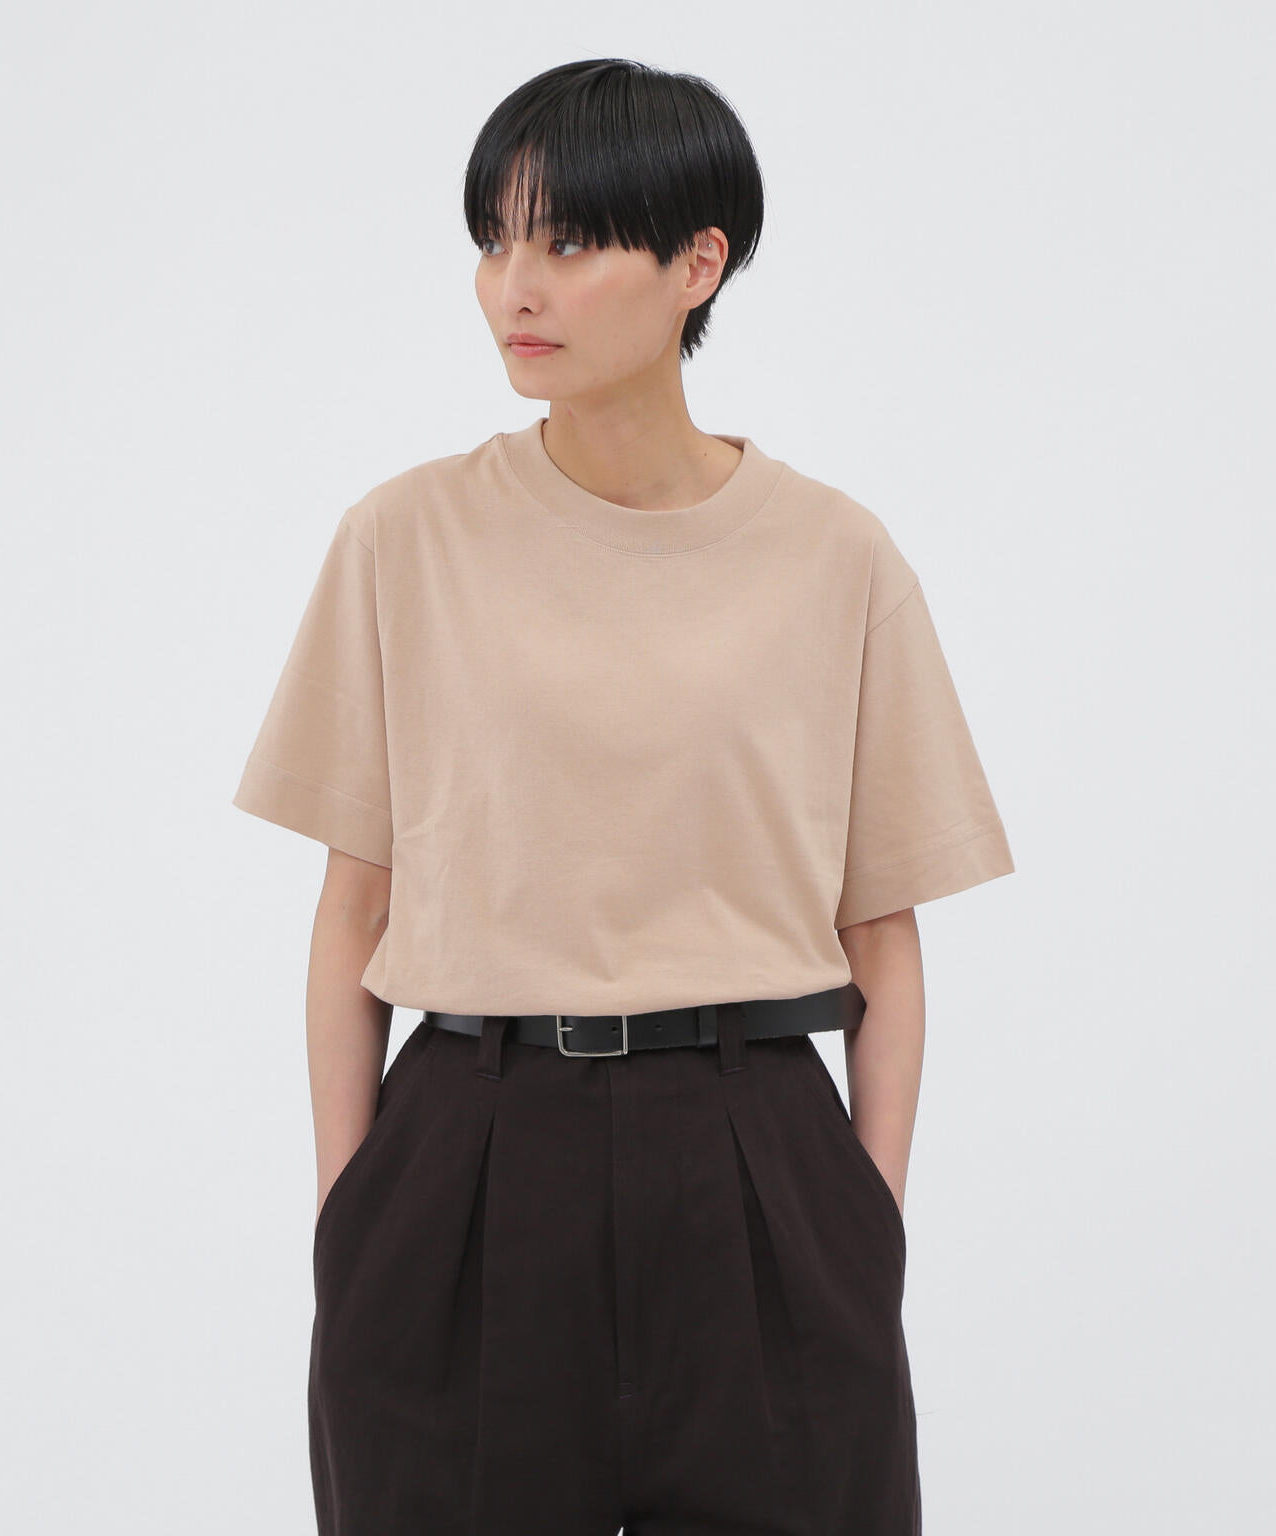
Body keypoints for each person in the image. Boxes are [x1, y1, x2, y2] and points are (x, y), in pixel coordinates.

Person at [231, 56, 1014, 1536]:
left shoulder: (835, 556)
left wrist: (862, 1222)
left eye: (571, 240)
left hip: (757, 1151)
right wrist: (354, 1215)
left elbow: (884, 932)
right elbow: (354, 909)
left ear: (697, 263)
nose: (514, 286)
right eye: (495, 239)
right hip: (465, 1156)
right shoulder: (404, 539)